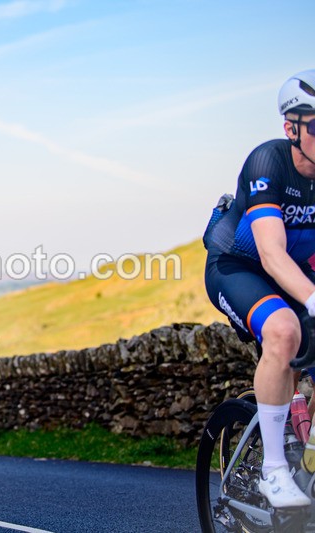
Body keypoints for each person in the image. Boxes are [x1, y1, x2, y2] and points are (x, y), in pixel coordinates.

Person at [204, 69, 315, 508]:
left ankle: (303, 452)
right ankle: (273, 470)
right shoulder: (269, 162)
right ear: (292, 129)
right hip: (240, 267)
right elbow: (271, 254)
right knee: (284, 331)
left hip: (297, 273)